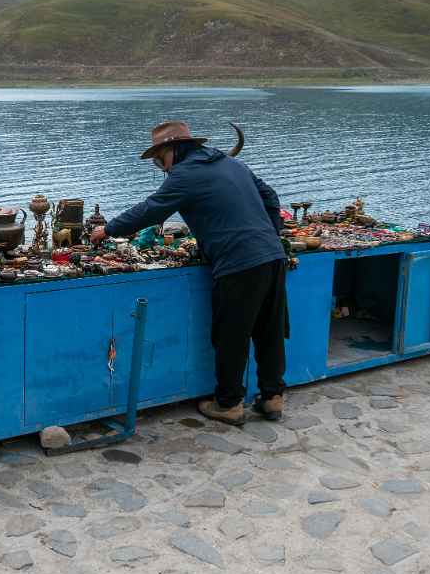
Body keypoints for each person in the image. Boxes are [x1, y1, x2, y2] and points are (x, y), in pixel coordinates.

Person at [90, 121, 288, 426]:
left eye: (159, 158)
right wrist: (270, 236)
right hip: (273, 256)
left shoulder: (186, 174)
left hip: (238, 263)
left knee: (231, 336)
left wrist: (108, 229)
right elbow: (271, 197)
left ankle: (229, 403)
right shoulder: (232, 164)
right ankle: (273, 398)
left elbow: (151, 210)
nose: (161, 166)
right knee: (268, 329)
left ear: (172, 150)